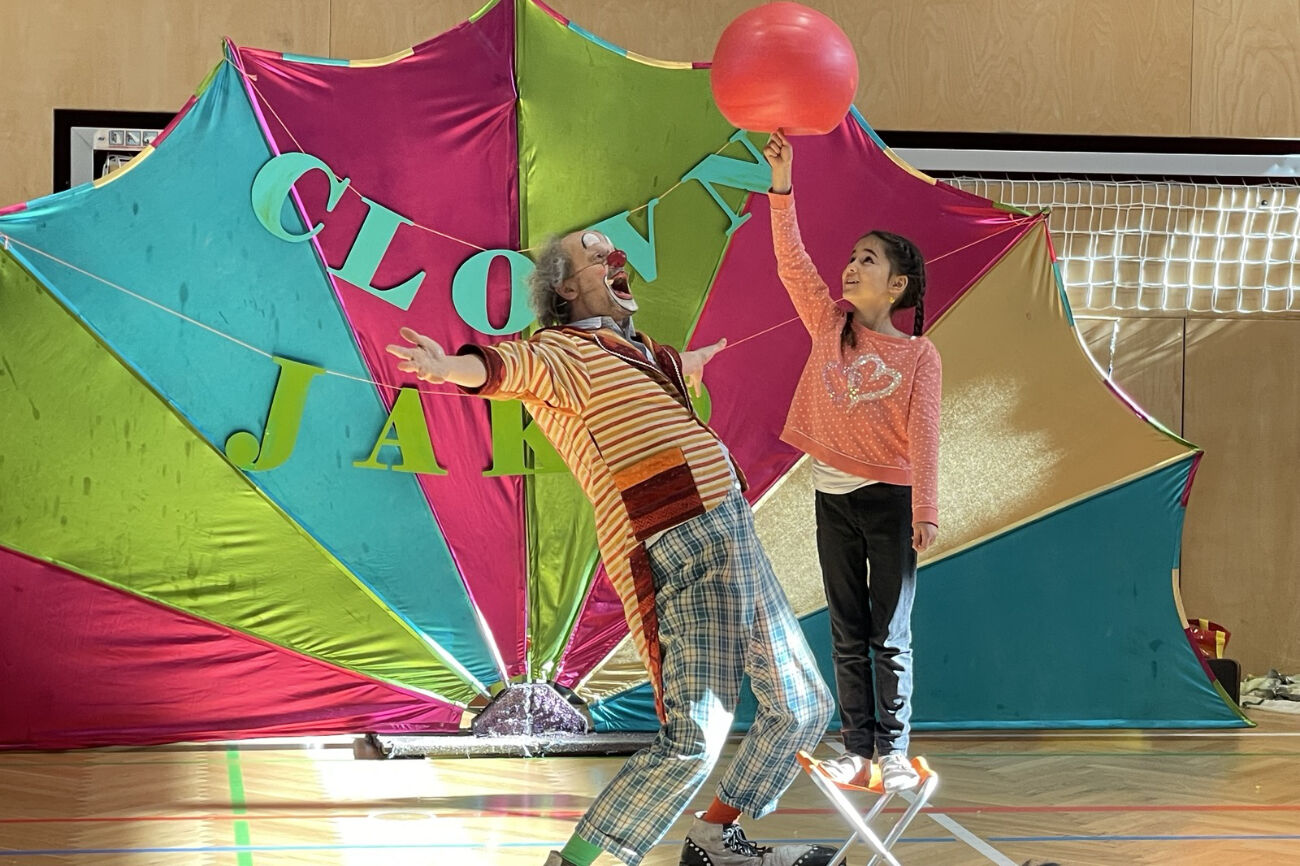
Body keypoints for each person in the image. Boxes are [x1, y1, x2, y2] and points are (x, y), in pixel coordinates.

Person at [387, 228, 835, 866]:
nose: (609, 255)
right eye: (591, 253)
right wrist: (447, 367)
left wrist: (688, 368)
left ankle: (714, 840)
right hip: (676, 541)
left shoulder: (642, 351)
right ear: (567, 288)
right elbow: (507, 369)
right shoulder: (562, 351)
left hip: (732, 528)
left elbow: (662, 384)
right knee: (693, 738)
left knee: (802, 707)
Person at [762, 129, 942, 794]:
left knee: (889, 634)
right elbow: (791, 263)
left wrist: (925, 508)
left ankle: (893, 751)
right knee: (847, 628)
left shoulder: (919, 356)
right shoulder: (829, 325)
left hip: (891, 503)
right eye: (851, 257)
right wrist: (783, 184)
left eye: (866, 260)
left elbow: (924, 433)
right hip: (832, 498)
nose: (850, 266)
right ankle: (859, 749)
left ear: (896, 284)